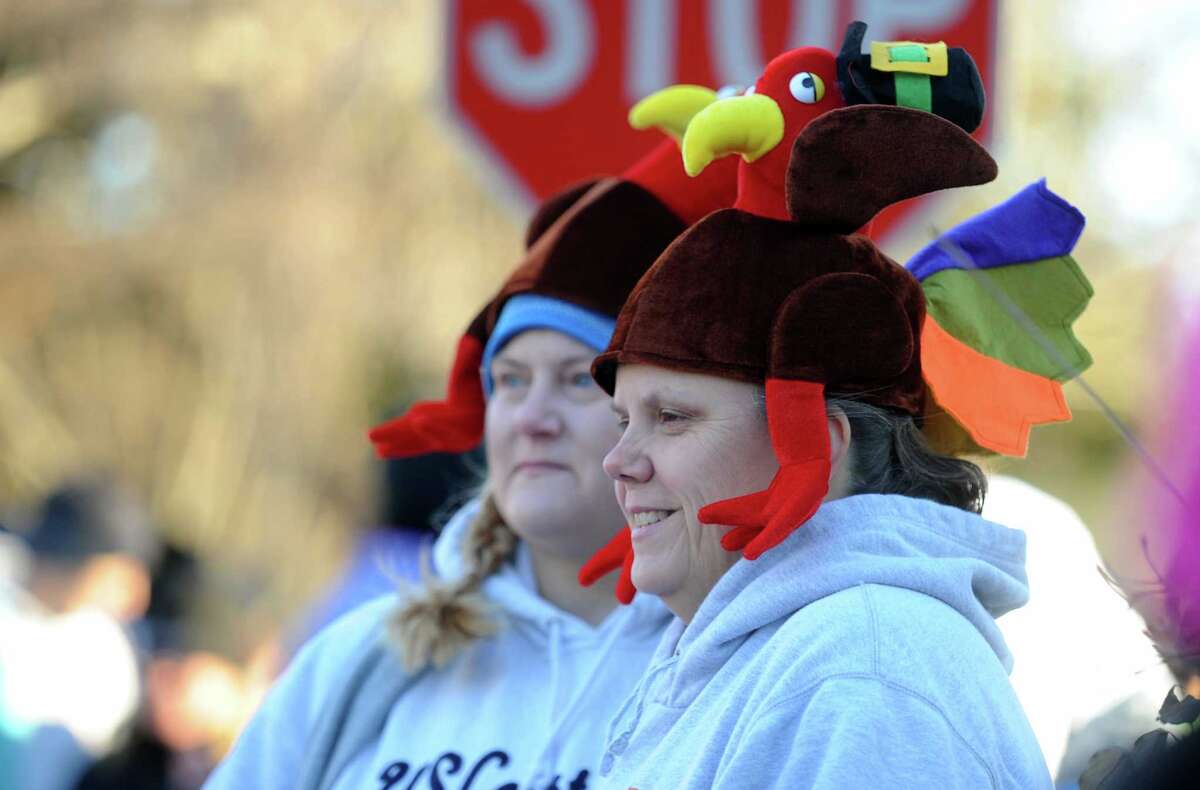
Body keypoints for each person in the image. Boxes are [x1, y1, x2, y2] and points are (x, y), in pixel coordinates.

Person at [577, 57, 1090, 787]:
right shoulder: (792, 652)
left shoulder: (866, 673)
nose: (618, 460)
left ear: (821, 442)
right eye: (623, 418)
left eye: (671, 418)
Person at [203, 92, 738, 790]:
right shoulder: (370, 657)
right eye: (510, 382)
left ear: (661, 415)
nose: (530, 416)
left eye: (578, 381)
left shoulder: (729, 662)